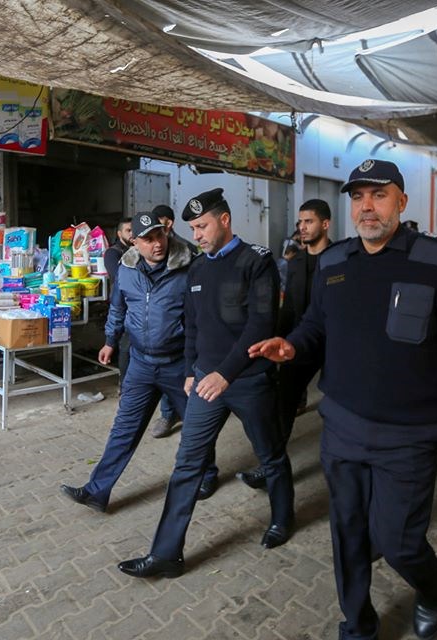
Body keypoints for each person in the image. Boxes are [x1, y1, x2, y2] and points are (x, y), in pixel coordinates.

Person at [249, 159, 437, 640]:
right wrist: (294, 345)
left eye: (379, 195)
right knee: (347, 534)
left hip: (408, 436)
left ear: (401, 202)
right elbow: (316, 325)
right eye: (358, 197)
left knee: (398, 541)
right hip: (341, 428)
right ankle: (358, 625)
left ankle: (431, 587)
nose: (367, 206)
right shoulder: (334, 263)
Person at [117, 187, 295, 579]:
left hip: (249, 380)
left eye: (202, 226)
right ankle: (166, 554)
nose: (195, 235)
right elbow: (193, 326)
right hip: (205, 382)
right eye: (193, 228)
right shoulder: (197, 269)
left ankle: (283, 517)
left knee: (270, 454)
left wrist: (224, 373)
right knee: (187, 463)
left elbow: (261, 325)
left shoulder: (256, 262)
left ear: (224, 219)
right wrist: (190, 371)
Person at [60, 212, 218, 510]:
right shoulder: (127, 269)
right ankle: (97, 491)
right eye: (148, 239)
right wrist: (110, 340)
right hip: (141, 363)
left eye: (160, 235)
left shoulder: (190, 267)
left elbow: (202, 320)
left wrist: (198, 364)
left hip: (179, 364)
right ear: (134, 242)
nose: (157, 243)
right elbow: (118, 308)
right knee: (124, 428)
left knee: (196, 425)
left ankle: (208, 474)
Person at [237, 198, 333, 490]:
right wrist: (277, 339)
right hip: (300, 342)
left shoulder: (340, 259)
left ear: (325, 224)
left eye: (309, 221)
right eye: (300, 222)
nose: (302, 227)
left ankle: (341, 469)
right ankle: (270, 469)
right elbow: (289, 308)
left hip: (335, 345)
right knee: (282, 405)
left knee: (338, 408)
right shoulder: (296, 263)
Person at [149, 204, 197, 438]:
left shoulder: (186, 250)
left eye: (161, 224)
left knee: (181, 375)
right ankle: (168, 414)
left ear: (169, 224)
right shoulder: (145, 250)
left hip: (181, 323)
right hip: (159, 323)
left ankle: (189, 418)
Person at [104, 217, 134, 388]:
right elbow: (119, 279)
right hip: (122, 305)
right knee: (125, 347)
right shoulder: (113, 253)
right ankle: (124, 385)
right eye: (128, 230)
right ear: (119, 233)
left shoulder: (139, 250)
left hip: (137, 307)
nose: (132, 234)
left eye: (134, 230)